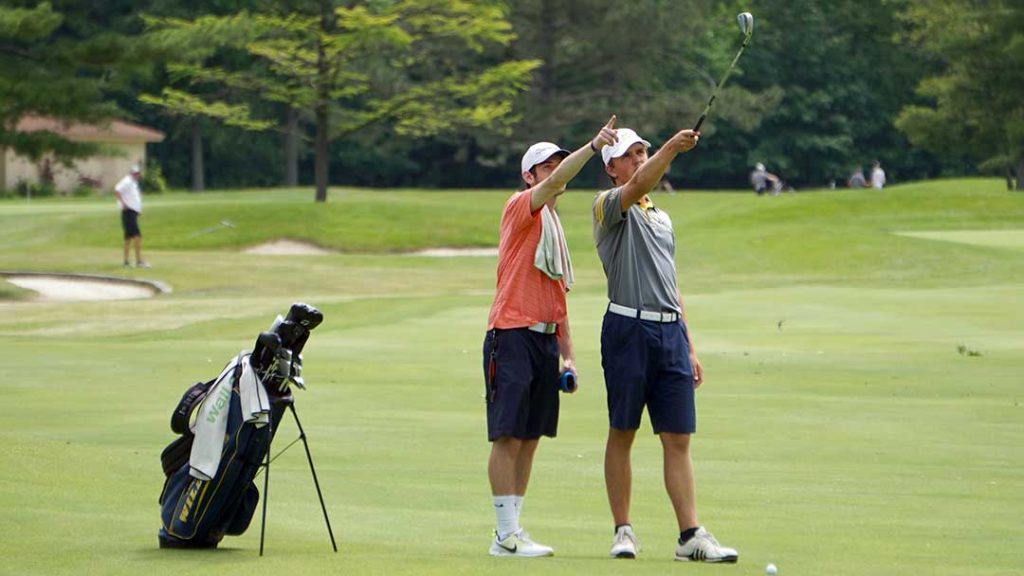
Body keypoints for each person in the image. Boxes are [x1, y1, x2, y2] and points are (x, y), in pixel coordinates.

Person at [592, 126, 738, 563]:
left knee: (677, 437)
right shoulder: (607, 206)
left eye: (643, 151)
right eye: (629, 154)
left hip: (670, 331)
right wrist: (672, 148)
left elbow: (670, 284)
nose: (638, 159)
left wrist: (688, 345)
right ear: (611, 167)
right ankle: (623, 530)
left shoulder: (661, 216)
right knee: (623, 430)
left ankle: (689, 535)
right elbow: (639, 185)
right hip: (627, 329)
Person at [484, 117, 618, 558]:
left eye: (558, 163)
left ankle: (514, 529)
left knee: (530, 435)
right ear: (530, 175)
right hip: (511, 334)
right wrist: (593, 147)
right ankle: (503, 534)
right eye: (547, 166)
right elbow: (561, 179)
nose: (555, 170)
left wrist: (569, 358)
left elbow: (558, 297)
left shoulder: (554, 227)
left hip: (543, 340)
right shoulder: (520, 206)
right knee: (507, 435)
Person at [115, 164, 149, 268]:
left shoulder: (133, 183)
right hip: (128, 211)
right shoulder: (127, 181)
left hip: (132, 212)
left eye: (138, 173)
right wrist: (123, 204)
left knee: (128, 238)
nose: (137, 175)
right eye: (135, 173)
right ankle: (139, 261)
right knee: (137, 236)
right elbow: (117, 190)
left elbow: (134, 197)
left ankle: (126, 262)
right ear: (132, 173)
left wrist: (138, 210)